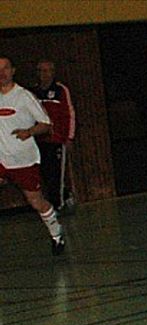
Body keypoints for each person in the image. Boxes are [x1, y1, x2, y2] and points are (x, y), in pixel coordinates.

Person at [0, 55, 65, 255]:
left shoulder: (24, 96)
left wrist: (28, 132)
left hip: (23, 160)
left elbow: (46, 124)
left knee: (35, 201)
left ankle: (56, 233)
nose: (1, 73)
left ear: (13, 71)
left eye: (5, 68)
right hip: (1, 158)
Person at [30, 59, 75, 213]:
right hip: (39, 140)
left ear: (53, 72)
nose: (44, 74)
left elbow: (69, 113)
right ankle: (65, 195)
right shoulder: (33, 92)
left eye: (47, 71)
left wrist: (69, 137)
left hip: (56, 139)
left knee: (56, 173)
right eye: (41, 71)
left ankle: (57, 205)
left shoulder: (60, 90)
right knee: (44, 173)